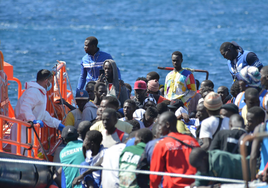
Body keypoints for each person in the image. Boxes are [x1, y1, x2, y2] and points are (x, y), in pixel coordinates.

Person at [11, 69, 64, 153]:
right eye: (50, 81)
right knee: (22, 153)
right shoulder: (34, 92)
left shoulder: (40, 92)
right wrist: (33, 120)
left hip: (29, 128)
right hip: (23, 129)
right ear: (46, 81)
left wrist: (57, 124)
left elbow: (42, 114)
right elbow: (25, 108)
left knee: (29, 152)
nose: (51, 84)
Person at [150, 111, 199, 188]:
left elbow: (155, 174)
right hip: (193, 185)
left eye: (160, 125)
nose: (158, 128)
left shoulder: (161, 144)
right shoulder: (192, 141)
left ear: (167, 125)